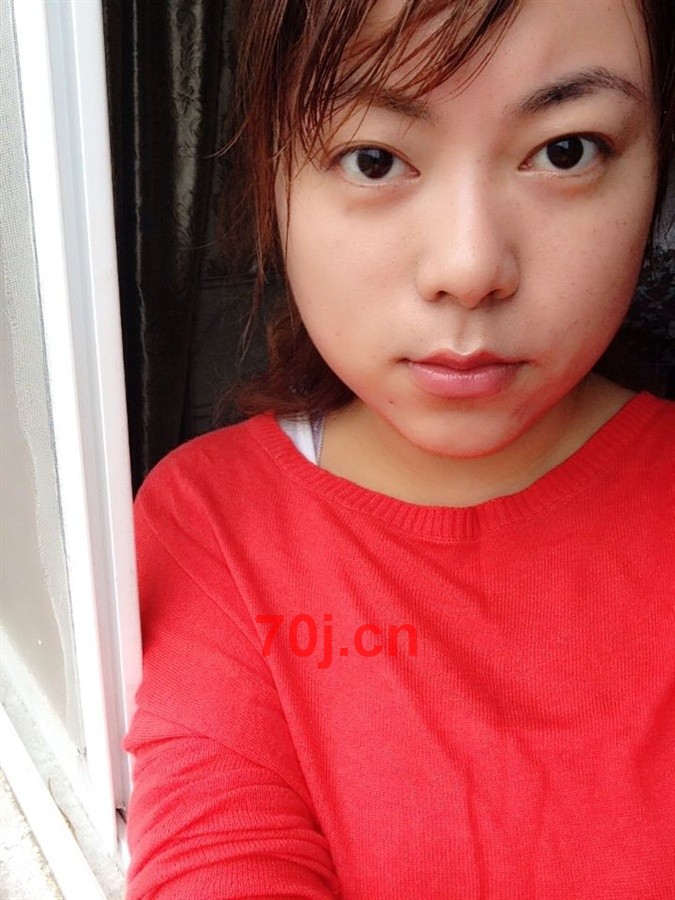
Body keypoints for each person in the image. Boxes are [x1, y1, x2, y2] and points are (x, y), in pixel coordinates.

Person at [123, 0, 675, 897]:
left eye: (566, 150)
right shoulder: (216, 524)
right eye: (373, 159)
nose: (468, 267)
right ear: (273, 180)